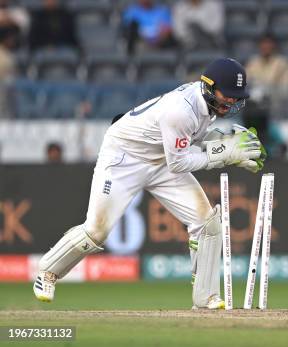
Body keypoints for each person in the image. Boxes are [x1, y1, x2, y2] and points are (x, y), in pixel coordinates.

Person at [33, 58, 265, 310]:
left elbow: (185, 146)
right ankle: (47, 272)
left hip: (161, 160)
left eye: (235, 97)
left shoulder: (206, 106)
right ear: (209, 87)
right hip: (124, 158)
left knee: (207, 223)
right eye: (227, 95)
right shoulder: (182, 110)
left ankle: (205, 297)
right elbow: (179, 163)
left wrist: (221, 143)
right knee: (96, 230)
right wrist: (223, 154)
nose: (231, 101)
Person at [246, 34, 288, 117]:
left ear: (274, 46)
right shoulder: (253, 62)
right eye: (263, 44)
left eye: (269, 44)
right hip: (255, 105)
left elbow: (286, 89)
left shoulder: (283, 63)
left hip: (276, 106)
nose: (266, 47)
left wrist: (267, 90)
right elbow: (246, 83)